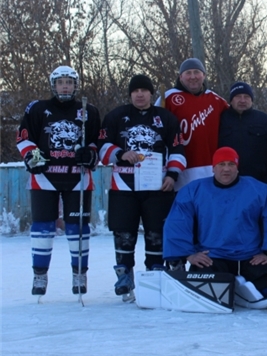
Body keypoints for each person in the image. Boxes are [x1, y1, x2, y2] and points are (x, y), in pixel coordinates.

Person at [163, 147, 267, 308]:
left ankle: (251, 289)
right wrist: (189, 254)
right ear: (213, 168)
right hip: (212, 257)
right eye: (221, 164)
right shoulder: (193, 190)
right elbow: (177, 223)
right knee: (207, 291)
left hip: (250, 256)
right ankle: (233, 289)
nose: (226, 169)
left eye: (231, 164)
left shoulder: (260, 190)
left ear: (237, 167)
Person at [98, 74, 186, 302]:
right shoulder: (116, 116)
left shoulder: (165, 118)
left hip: (156, 186)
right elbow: (102, 146)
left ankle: (155, 274)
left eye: (144, 90)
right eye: (135, 90)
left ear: (151, 93)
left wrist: (173, 175)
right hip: (123, 185)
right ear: (130, 94)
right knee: (124, 233)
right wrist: (119, 153)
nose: (139, 94)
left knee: (156, 233)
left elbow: (178, 150)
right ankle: (124, 275)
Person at [16, 65, 101, 296]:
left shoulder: (89, 110)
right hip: (45, 178)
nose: (65, 85)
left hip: (78, 179)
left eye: (70, 82)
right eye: (61, 81)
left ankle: (79, 275)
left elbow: (98, 141)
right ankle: (40, 276)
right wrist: (33, 156)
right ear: (53, 85)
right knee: (43, 228)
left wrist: (91, 154)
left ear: (76, 85)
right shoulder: (37, 108)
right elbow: (23, 138)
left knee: (78, 229)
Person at [156, 58, 229, 190]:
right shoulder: (168, 98)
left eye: (197, 72)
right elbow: (154, 129)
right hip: (179, 170)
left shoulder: (216, 99)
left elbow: (233, 120)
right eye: (188, 73)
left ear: (204, 76)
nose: (193, 76)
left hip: (210, 169)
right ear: (181, 77)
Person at [218, 81, 267, 200]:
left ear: (252, 100)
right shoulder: (220, 120)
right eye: (238, 96)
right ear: (231, 100)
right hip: (226, 184)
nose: (242, 100)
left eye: (246, 97)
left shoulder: (263, 120)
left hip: (258, 183)